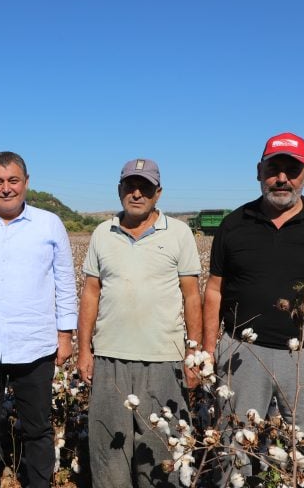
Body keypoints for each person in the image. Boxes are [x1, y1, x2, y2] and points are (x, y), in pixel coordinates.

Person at [202, 132, 304, 487]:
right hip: (241, 356)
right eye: (274, 168)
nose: (282, 178)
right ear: (258, 172)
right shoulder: (234, 224)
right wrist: (209, 349)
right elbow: (214, 290)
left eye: (291, 170)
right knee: (234, 452)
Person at [0, 151, 78, 488]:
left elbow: (65, 281)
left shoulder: (49, 223)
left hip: (35, 344)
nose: (6, 188)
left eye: (13, 180)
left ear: (26, 183)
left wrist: (65, 334)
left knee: (37, 427)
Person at [76, 158, 202, 487]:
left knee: (161, 452)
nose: (136, 193)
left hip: (164, 359)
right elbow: (91, 293)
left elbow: (192, 296)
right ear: (119, 190)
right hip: (109, 358)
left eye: (144, 187)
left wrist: (194, 352)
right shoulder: (103, 233)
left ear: (157, 193)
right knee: (109, 450)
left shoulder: (179, 233)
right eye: (129, 186)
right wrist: (84, 351)